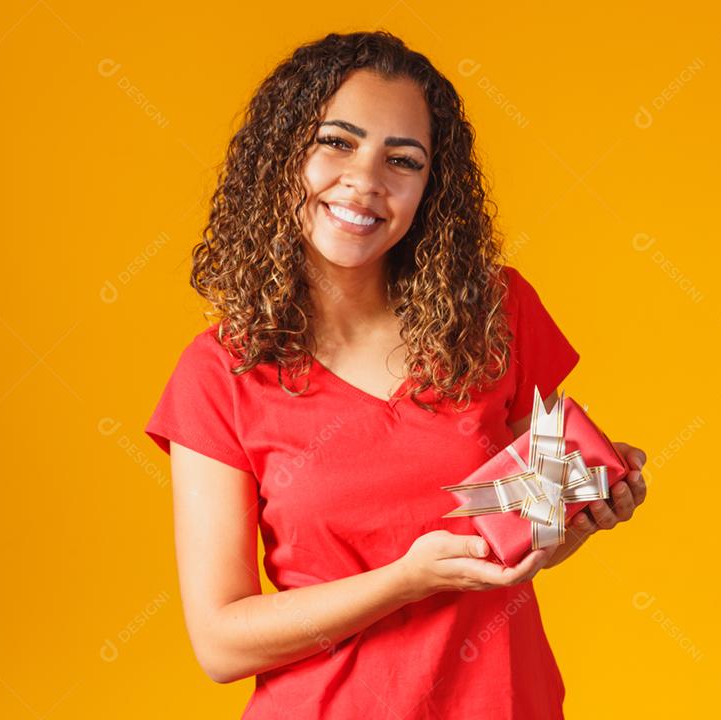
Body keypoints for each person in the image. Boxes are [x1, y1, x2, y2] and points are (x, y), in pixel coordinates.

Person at [144, 30, 648, 719]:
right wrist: (403, 581)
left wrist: (583, 514)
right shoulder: (220, 372)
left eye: (402, 160)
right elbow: (221, 643)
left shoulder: (494, 315)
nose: (366, 182)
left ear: (429, 190)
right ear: (282, 157)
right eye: (338, 142)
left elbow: (511, 546)